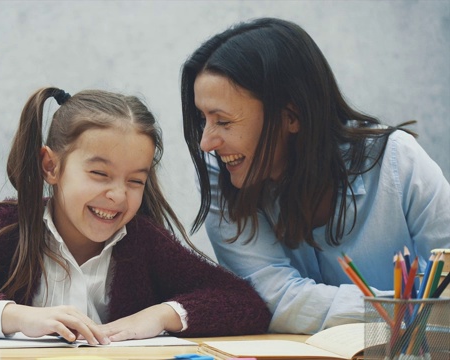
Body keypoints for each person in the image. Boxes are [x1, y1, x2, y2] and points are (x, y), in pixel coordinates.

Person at [0, 87, 271, 343]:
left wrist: (159, 315)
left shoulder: (144, 241)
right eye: (99, 174)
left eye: (135, 180)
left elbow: (245, 303)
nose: (117, 195)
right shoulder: (4, 228)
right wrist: (23, 317)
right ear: (51, 166)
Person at [180, 18, 450, 334]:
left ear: (291, 116)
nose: (206, 143)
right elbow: (273, 299)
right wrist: (406, 310)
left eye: (223, 122)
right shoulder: (222, 177)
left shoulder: (395, 160)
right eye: (203, 119)